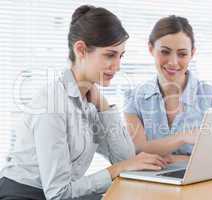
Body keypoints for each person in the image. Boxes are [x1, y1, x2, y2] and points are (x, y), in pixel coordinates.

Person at [0, 5, 168, 200]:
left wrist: (104, 106)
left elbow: (126, 160)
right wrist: (116, 170)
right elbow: (59, 194)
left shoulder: (89, 101)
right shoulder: (52, 104)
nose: (117, 66)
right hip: (24, 195)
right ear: (80, 49)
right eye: (110, 55)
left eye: (120, 56)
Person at [124, 15, 212, 167]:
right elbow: (135, 152)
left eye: (182, 54)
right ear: (150, 49)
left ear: (192, 53)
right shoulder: (134, 98)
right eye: (165, 52)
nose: (173, 62)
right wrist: (182, 138)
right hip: (150, 186)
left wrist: (184, 160)